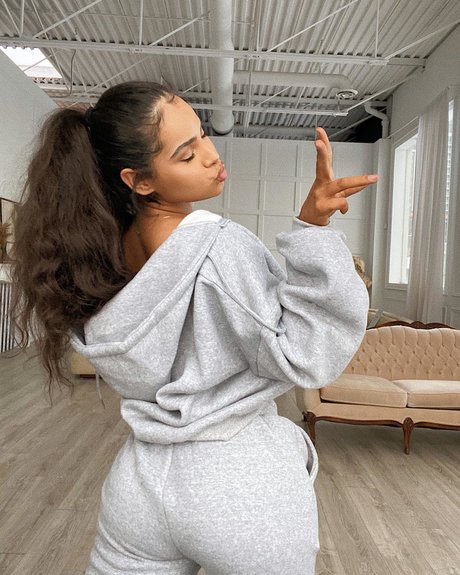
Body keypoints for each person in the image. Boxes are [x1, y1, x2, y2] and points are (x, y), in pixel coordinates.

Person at [12, 81, 377, 575]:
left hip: (140, 485)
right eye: (186, 154)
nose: (210, 155)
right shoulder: (215, 246)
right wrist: (313, 230)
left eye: (203, 135)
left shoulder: (99, 260)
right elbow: (307, 354)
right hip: (237, 484)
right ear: (139, 181)